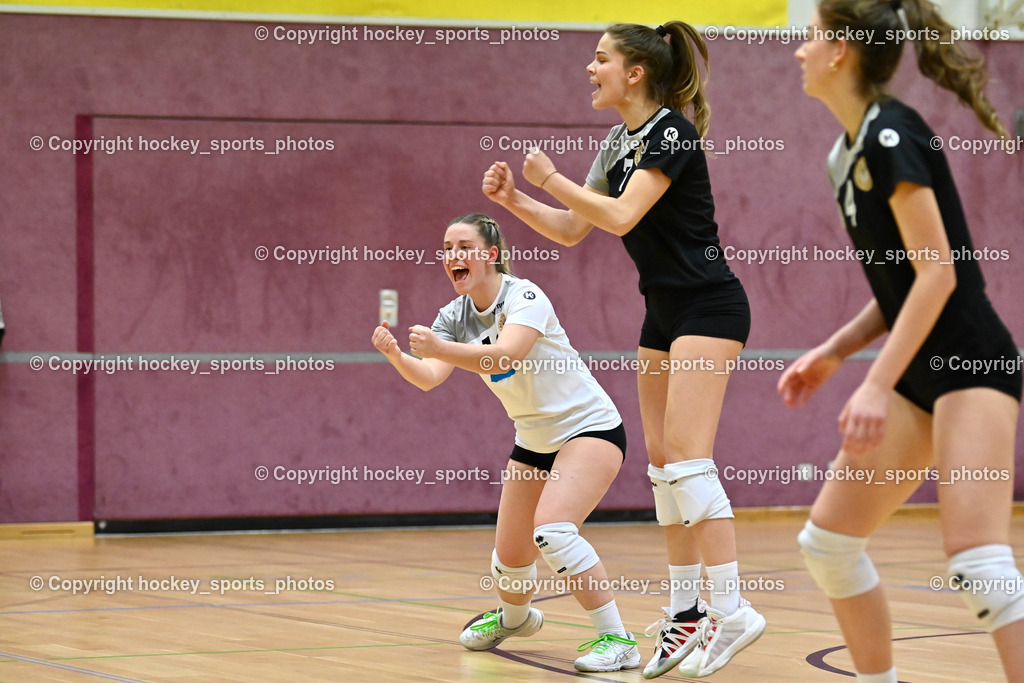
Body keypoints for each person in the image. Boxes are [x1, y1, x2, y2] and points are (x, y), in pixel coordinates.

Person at [482, 21, 765, 679]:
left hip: (709, 307)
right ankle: (686, 610)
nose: (591, 67)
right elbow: (576, 227)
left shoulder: (671, 130)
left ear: (635, 72)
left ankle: (734, 607)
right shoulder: (616, 141)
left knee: (691, 463)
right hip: (663, 315)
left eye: (601, 58)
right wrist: (515, 198)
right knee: (665, 470)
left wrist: (551, 177)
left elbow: (620, 215)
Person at [781, 2, 1024, 681]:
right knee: (828, 545)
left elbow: (940, 273)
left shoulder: (894, 134)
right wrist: (834, 351)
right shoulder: (845, 154)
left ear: (841, 53)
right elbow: (900, 283)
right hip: (917, 371)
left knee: (977, 561)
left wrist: (875, 382)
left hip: (970, 364)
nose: (799, 52)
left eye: (810, 39)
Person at [371, 213, 641, 672]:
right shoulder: (453, 316)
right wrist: (398, 356)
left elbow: (507, 352)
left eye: (463, 246)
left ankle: (618, 638)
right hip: (534, 440)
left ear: (490, 255)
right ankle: (516, 620)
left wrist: (441, 349)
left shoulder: (525, 296)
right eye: (447, 248)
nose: (453, 256)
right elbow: (430, 378)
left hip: (589, 429)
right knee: (511, 556)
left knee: (553, 531)